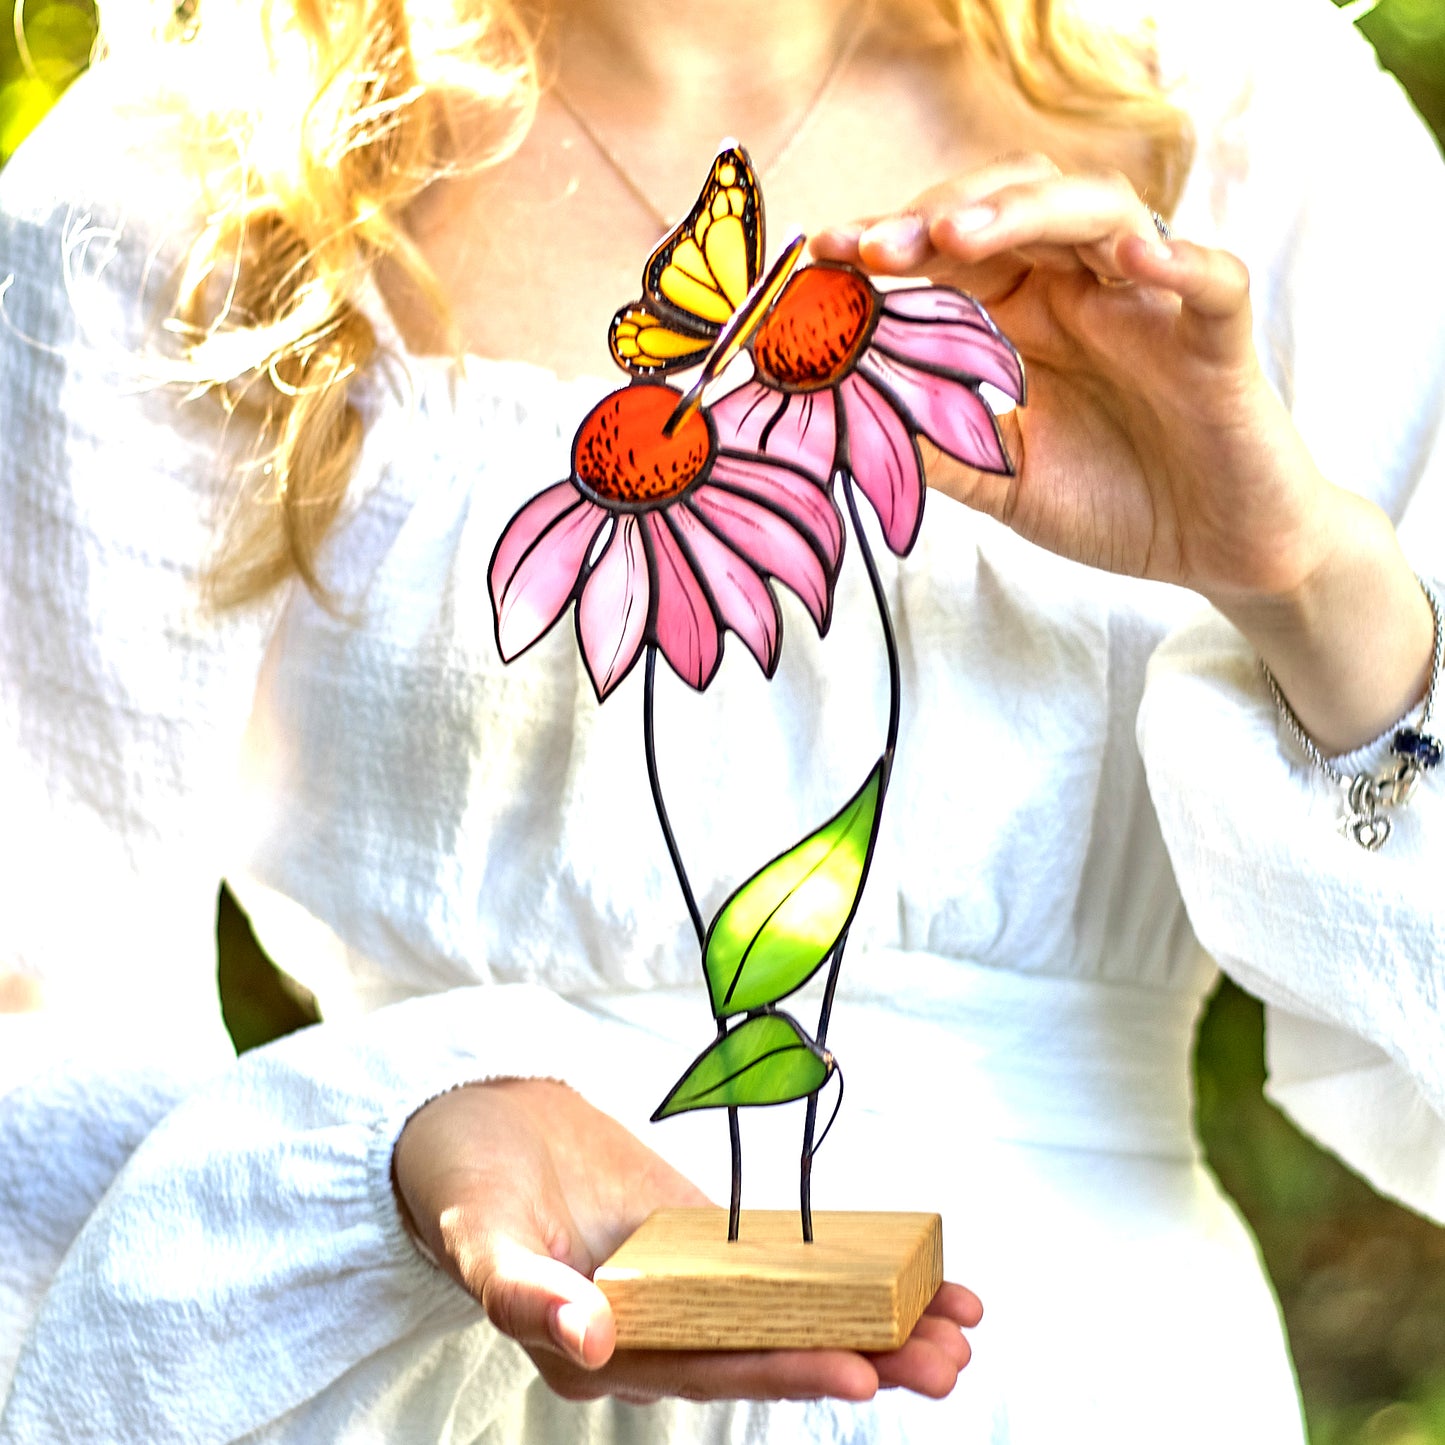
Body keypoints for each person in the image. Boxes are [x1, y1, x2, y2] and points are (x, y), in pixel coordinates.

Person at [1, 0, 1442, 1440]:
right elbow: (39, 1075)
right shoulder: (176, 201)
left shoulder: (1255, 138)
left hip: (1090, 1386)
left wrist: (1302, 571)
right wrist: (400, 1136)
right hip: (444, 1386)